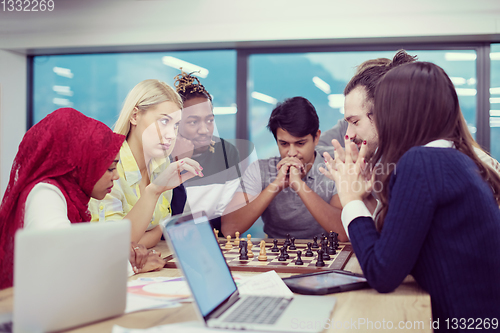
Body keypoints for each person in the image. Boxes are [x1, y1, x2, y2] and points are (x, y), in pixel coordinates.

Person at [324, 62, 500, 328]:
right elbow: (399, 251)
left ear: (399, 112)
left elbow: (381, 272)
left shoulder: (421, 162)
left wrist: (350, 199)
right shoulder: (454, 159)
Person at [0, 108, 165, 290]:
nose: (116, 176)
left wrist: (124, 254)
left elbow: (77, 250)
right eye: (110, 169)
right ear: (82, 164)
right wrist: (134, 265)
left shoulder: (72, 197)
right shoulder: (45, 194)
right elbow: (67, 264)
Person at [317, 50, 500, 178]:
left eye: (356, 121)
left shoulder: (434, 165)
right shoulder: (396, 162)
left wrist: (351, 200)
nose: (348, 134)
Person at [89, 80, 203, 248]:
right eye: (164, 121)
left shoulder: (162, 163)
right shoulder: (107, 167)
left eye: (176, 125)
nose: (171, 134)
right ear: (135, 116)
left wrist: (138, 240)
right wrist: (153, 192)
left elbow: (160, 229)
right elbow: (112, 245)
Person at [222, 97, 345, 240]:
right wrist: (275, 185)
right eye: (284, 144)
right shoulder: (260, 169)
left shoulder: (335, 167)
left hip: (328, 256)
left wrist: (298, 184)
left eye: (300, 143)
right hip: (276, 257)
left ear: (316, 137)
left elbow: (343, 233)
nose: (292, 152)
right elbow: (228, 229)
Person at [171, 71, 244, 234]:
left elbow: (224, 216)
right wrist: (178, 163)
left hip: (211, 238)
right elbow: (167, 218)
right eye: (193, 122)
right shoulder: (162, 155)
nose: (204, 130)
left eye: (209, 120)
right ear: (177, 123)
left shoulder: (227, 153)